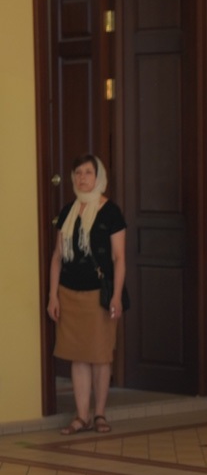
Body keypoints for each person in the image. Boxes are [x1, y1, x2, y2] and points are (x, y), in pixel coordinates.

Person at [48, 154, 127, 435]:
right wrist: (53, 296)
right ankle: (81, 416)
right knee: (77, 356)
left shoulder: (111, 212)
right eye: (78, 173)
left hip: (99, 295)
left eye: (88, 172)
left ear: (98, 177)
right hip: (69, 292)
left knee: (100, 356)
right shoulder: (68, 211)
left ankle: (99, 415)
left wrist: (117, 296)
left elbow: (119, 258)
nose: (82, 178)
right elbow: (57, 257)